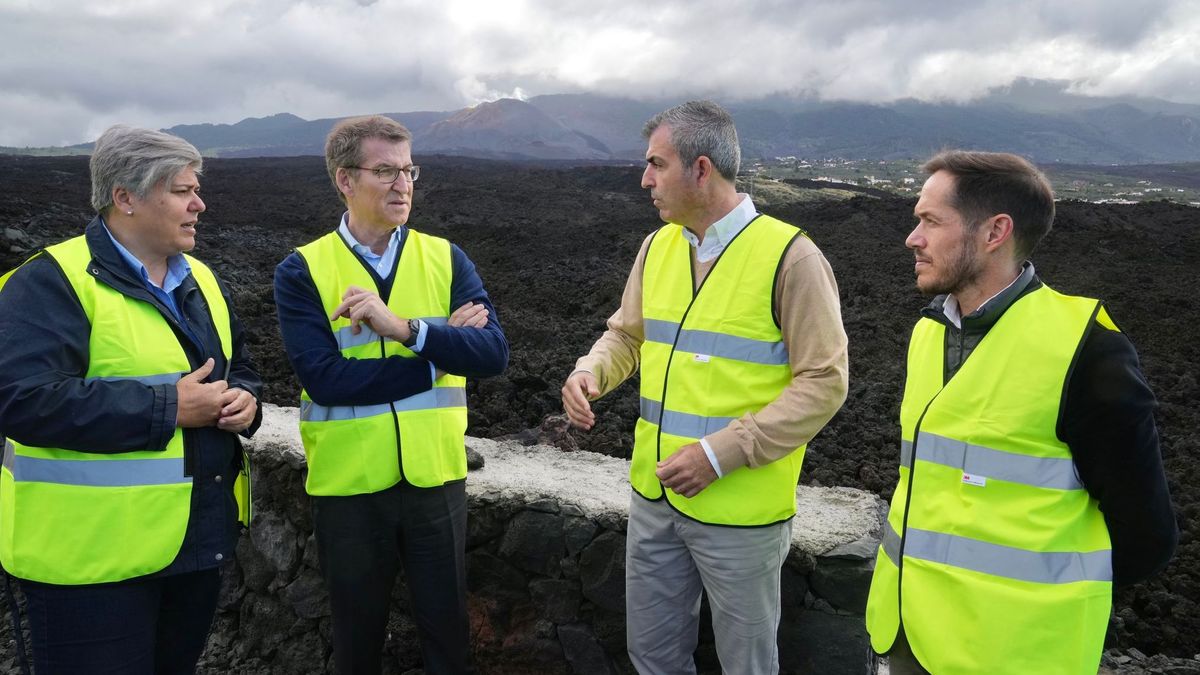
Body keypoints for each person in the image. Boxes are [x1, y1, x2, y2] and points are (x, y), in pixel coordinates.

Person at [561, 100, 848, 674]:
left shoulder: (791, 257)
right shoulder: (657, 246)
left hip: (741, 514)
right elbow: (627, 336)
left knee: (747, 665)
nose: (645, 180)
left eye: (656, 165)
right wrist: (590, 371)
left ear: (700, 168)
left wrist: (722, 454)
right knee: (654, 658)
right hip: (654, 498)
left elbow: (825, 382)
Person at [865, 150, 1178, 674]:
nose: (912, 238)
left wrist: (1035, 606)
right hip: (906, 636)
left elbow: (1146, 539)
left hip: (1015, 655)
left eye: (930, 221)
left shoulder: (1086, 348)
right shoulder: (929, 332)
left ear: (995, 232)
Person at [0, 124, 262, 674]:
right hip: (88, 567)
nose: (200, 204)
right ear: (125, 197)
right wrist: (170, 408)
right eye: (182, 191)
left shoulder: (205, 281)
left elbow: (242, 370)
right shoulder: (51, 281)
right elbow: (23, 401)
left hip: (193, 548)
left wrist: (247, 401)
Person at [274, 115, 508, 675]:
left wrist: (407, 330)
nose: (403, 184)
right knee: (357, 640)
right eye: (385, 171)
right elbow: (325, 380)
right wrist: (439, 357)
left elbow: (494, 354)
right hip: (350, 486)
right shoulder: (302, 270)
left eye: (409, 170)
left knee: (447, 637)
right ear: (344, 179)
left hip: (435, 479)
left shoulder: (446, 257)